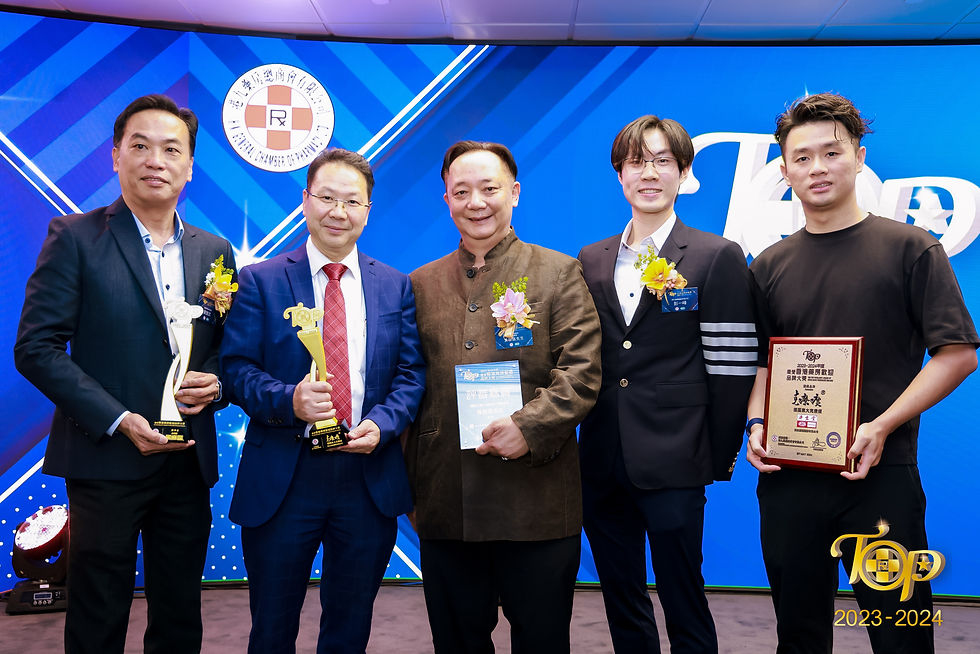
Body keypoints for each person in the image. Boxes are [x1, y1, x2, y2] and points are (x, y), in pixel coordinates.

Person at [746, 92, 978, 654]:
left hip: (881, 476)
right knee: (799, 636)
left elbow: (958, 354)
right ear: (784, 171)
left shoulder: (911, 249)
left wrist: (880, 426)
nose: (818, 168)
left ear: (859, 157)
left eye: (832, 153)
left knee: (901, 636)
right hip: (790, 477)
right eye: (802, 158)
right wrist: (756, 423)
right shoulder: (769, 265)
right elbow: (764, 363)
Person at [14, 94, 234, 653]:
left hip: (186, 462)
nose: (155, 161)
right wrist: (117, 419)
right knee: (98, 614)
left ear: (190, 166)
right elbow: (36, 348)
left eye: (171, 150)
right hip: (106, 458)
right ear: (116, 156)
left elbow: (223, 349)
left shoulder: (215, 252)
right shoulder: (74, 237)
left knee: (179, 613)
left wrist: (216, 383)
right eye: (140, 146)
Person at [219, 147, 426, 654]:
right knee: (272, 628)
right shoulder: (260, 280)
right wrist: (288, 399)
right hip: (285, 477)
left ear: (368, 210)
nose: (339, 211)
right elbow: (236, 369)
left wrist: (384, 424)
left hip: (366, 475)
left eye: (352, 201)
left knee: (350, 627)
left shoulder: (394, 285)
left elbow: (410, 373)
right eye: (327, 197)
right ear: (305, 200)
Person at [404, 141, 602, 653]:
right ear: (446, 199)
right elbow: (406, 384)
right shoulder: (420, 284)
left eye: (489, 189)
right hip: (446, 499)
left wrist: (529, 428)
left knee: (541, 642)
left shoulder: (558, 272)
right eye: (461, 191)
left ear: (514, 192)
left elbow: (581, 373)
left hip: (536, 500)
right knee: (456, 642)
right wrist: (410, 487)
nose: (476, 203)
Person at [577, 115, 757, 653]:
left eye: (662, 161)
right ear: (620, 174)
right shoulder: (591, 259)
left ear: (684, 172)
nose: (649, 173)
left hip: (678, 457)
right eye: (637, 162)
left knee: (684, 594)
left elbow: (733, 363)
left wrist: (714, 454)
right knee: (621, 595)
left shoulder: (715, 255)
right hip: (602, 458)